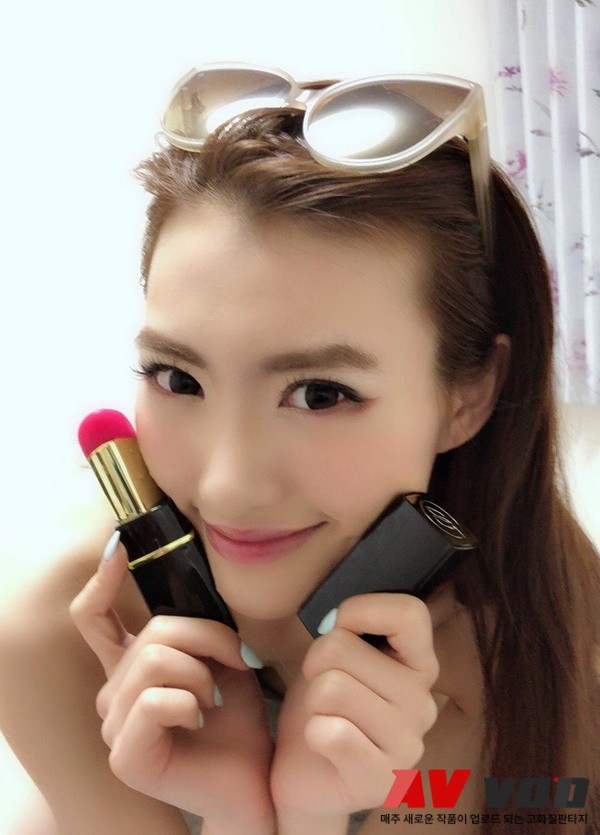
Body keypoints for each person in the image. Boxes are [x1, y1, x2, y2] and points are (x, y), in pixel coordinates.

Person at [0, 64, 598, 835]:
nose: (226, 486)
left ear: (469, 394)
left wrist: (310, 810)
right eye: (178, 377)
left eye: (320, 394)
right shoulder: (58, 624)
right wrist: (238, 809)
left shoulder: (530, 651)